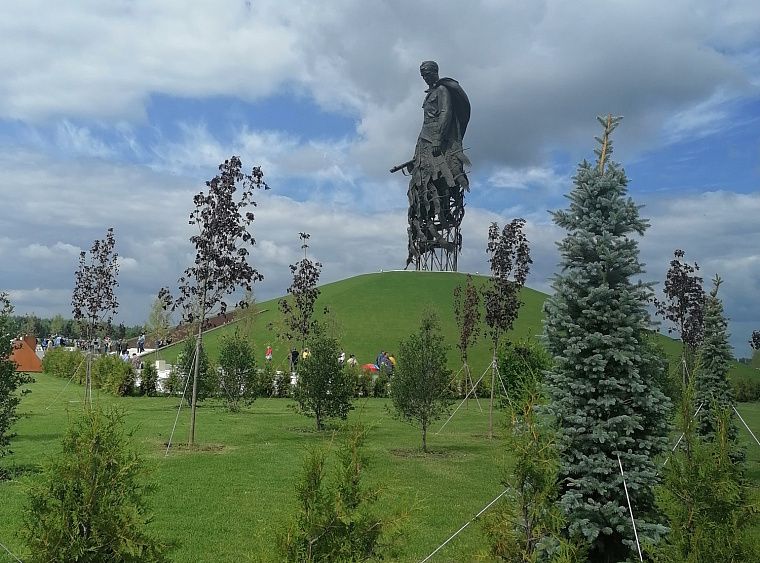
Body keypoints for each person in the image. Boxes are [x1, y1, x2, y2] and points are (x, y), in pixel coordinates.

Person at [404, 60, 471, 268]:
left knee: (440, 184)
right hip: (424, 142)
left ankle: (442, 217)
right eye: (422, 74)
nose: (425, 77)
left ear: (436, 72)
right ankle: (424, 232)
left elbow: (446, 114)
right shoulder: (429, 93)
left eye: (427, 73)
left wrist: (438, 140)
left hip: (436, 142)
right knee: (420, 188)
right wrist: (416, 157)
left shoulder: (442, 90)